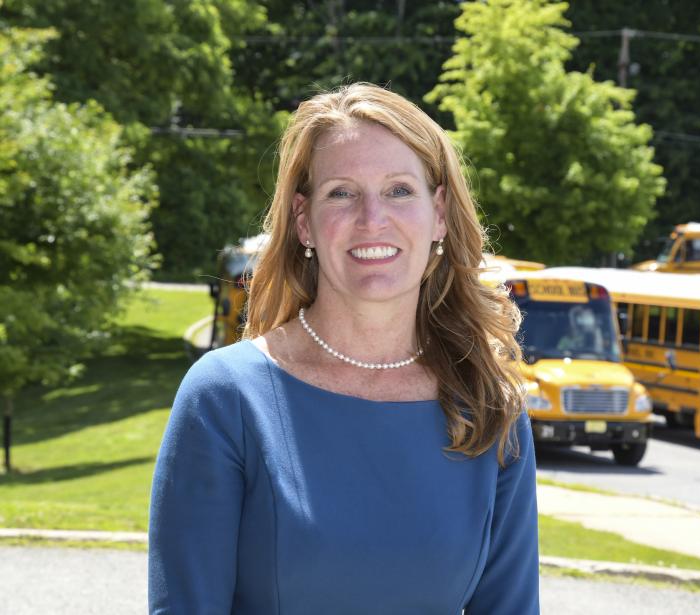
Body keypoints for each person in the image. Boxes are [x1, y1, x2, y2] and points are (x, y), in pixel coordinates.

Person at [147, 83, 540, 614]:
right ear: (304, 220)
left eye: (400, 190)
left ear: (440, 212)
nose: (372, 218)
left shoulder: (491, 409)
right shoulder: (226, 398)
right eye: (342, 192)